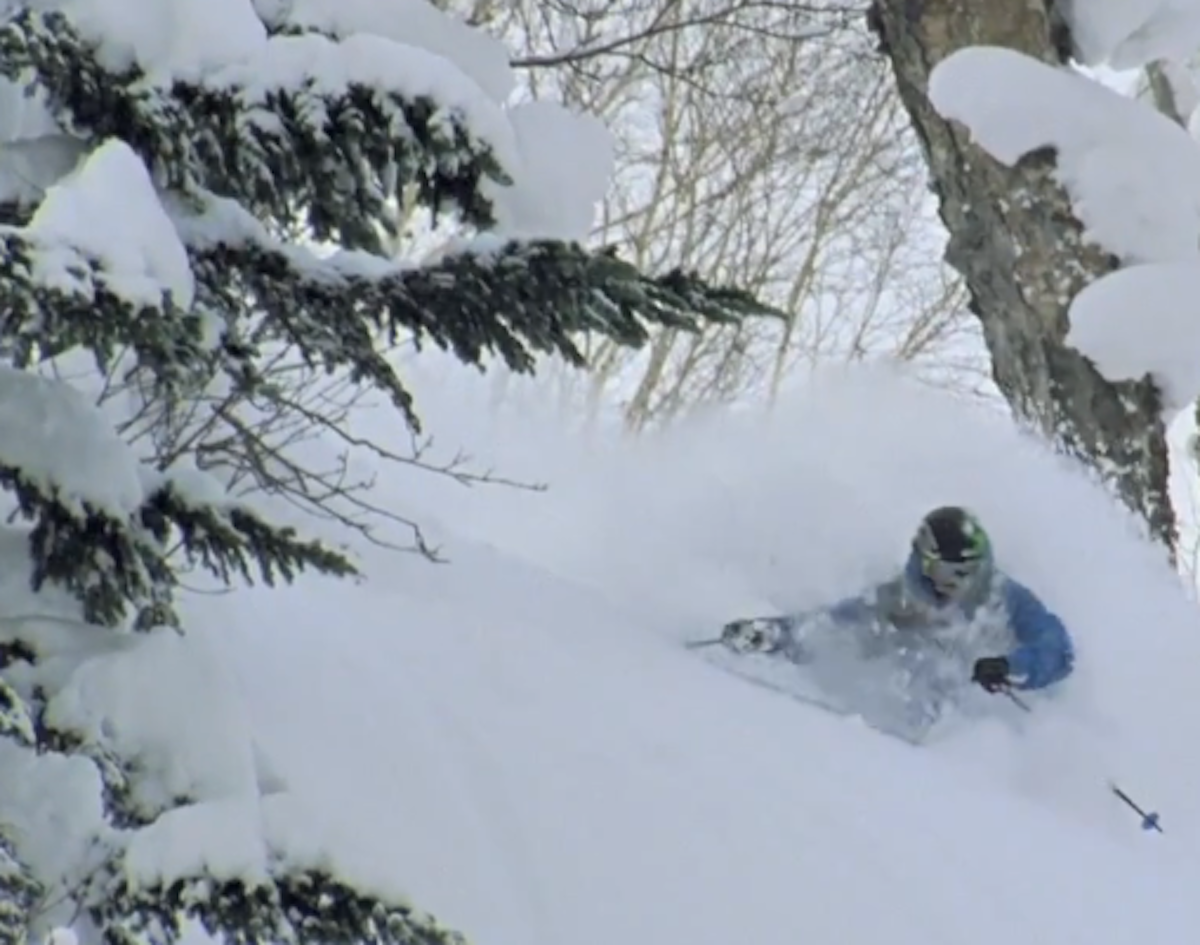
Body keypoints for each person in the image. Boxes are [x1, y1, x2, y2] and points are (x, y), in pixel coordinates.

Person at [719, 506, 1075, 697]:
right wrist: (773, 635)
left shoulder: (1003, 598)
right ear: (926, 564)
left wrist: (1010, 666)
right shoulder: (899, 600)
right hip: (918, 730)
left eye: (970, 571)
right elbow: (833, 626)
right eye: (949, 572)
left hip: (1000, 729)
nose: (960, 583)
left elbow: (1056, 648)